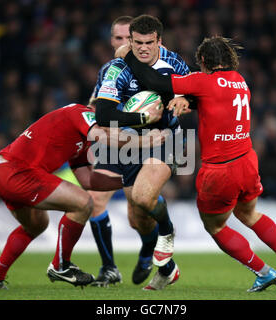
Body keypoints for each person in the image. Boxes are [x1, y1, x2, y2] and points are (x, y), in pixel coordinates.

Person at [116, 35, 276, 292]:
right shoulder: (240, 82)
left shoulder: (202, 81)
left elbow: (154, 81)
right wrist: (187, 100)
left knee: (215, 225)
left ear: (205, 61)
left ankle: (263, 272)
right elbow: (214, 103)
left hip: (220, 170)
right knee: (249, 213)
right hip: (247, 161)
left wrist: (128, 55)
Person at [0, 100, 165, 289]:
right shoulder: (80, 112)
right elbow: (101, 136)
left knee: (36, 225)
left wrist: (127, 181)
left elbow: (88, 180)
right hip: (18, 171)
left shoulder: (83, 139)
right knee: (84, 203)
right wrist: (146, 141)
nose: (116, 127)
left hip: (3, 171)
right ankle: (60, 265)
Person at [95, 14, 192, 290]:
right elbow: (103, 113)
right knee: (137, 216)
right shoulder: (115, 69)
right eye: (137, 43)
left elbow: (194, 94)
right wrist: (141, 119)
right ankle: (161, 261)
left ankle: (167, 232)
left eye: (149, 42)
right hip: (129, 144)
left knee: (142, 196)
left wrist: (185, 99)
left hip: (166, 138)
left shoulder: (173, 62)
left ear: (159, 41)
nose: (143, 48)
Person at [88, 16, 133, 287]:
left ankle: (157, 253)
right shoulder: (108, 70)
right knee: (95, 200)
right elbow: (94, 107)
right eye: (119, 38)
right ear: (112, 41)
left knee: (138, 215)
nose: (124, 43)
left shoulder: (155, 69)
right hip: (112, 147)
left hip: (144, 147)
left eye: (129, 38)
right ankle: (109, 268)